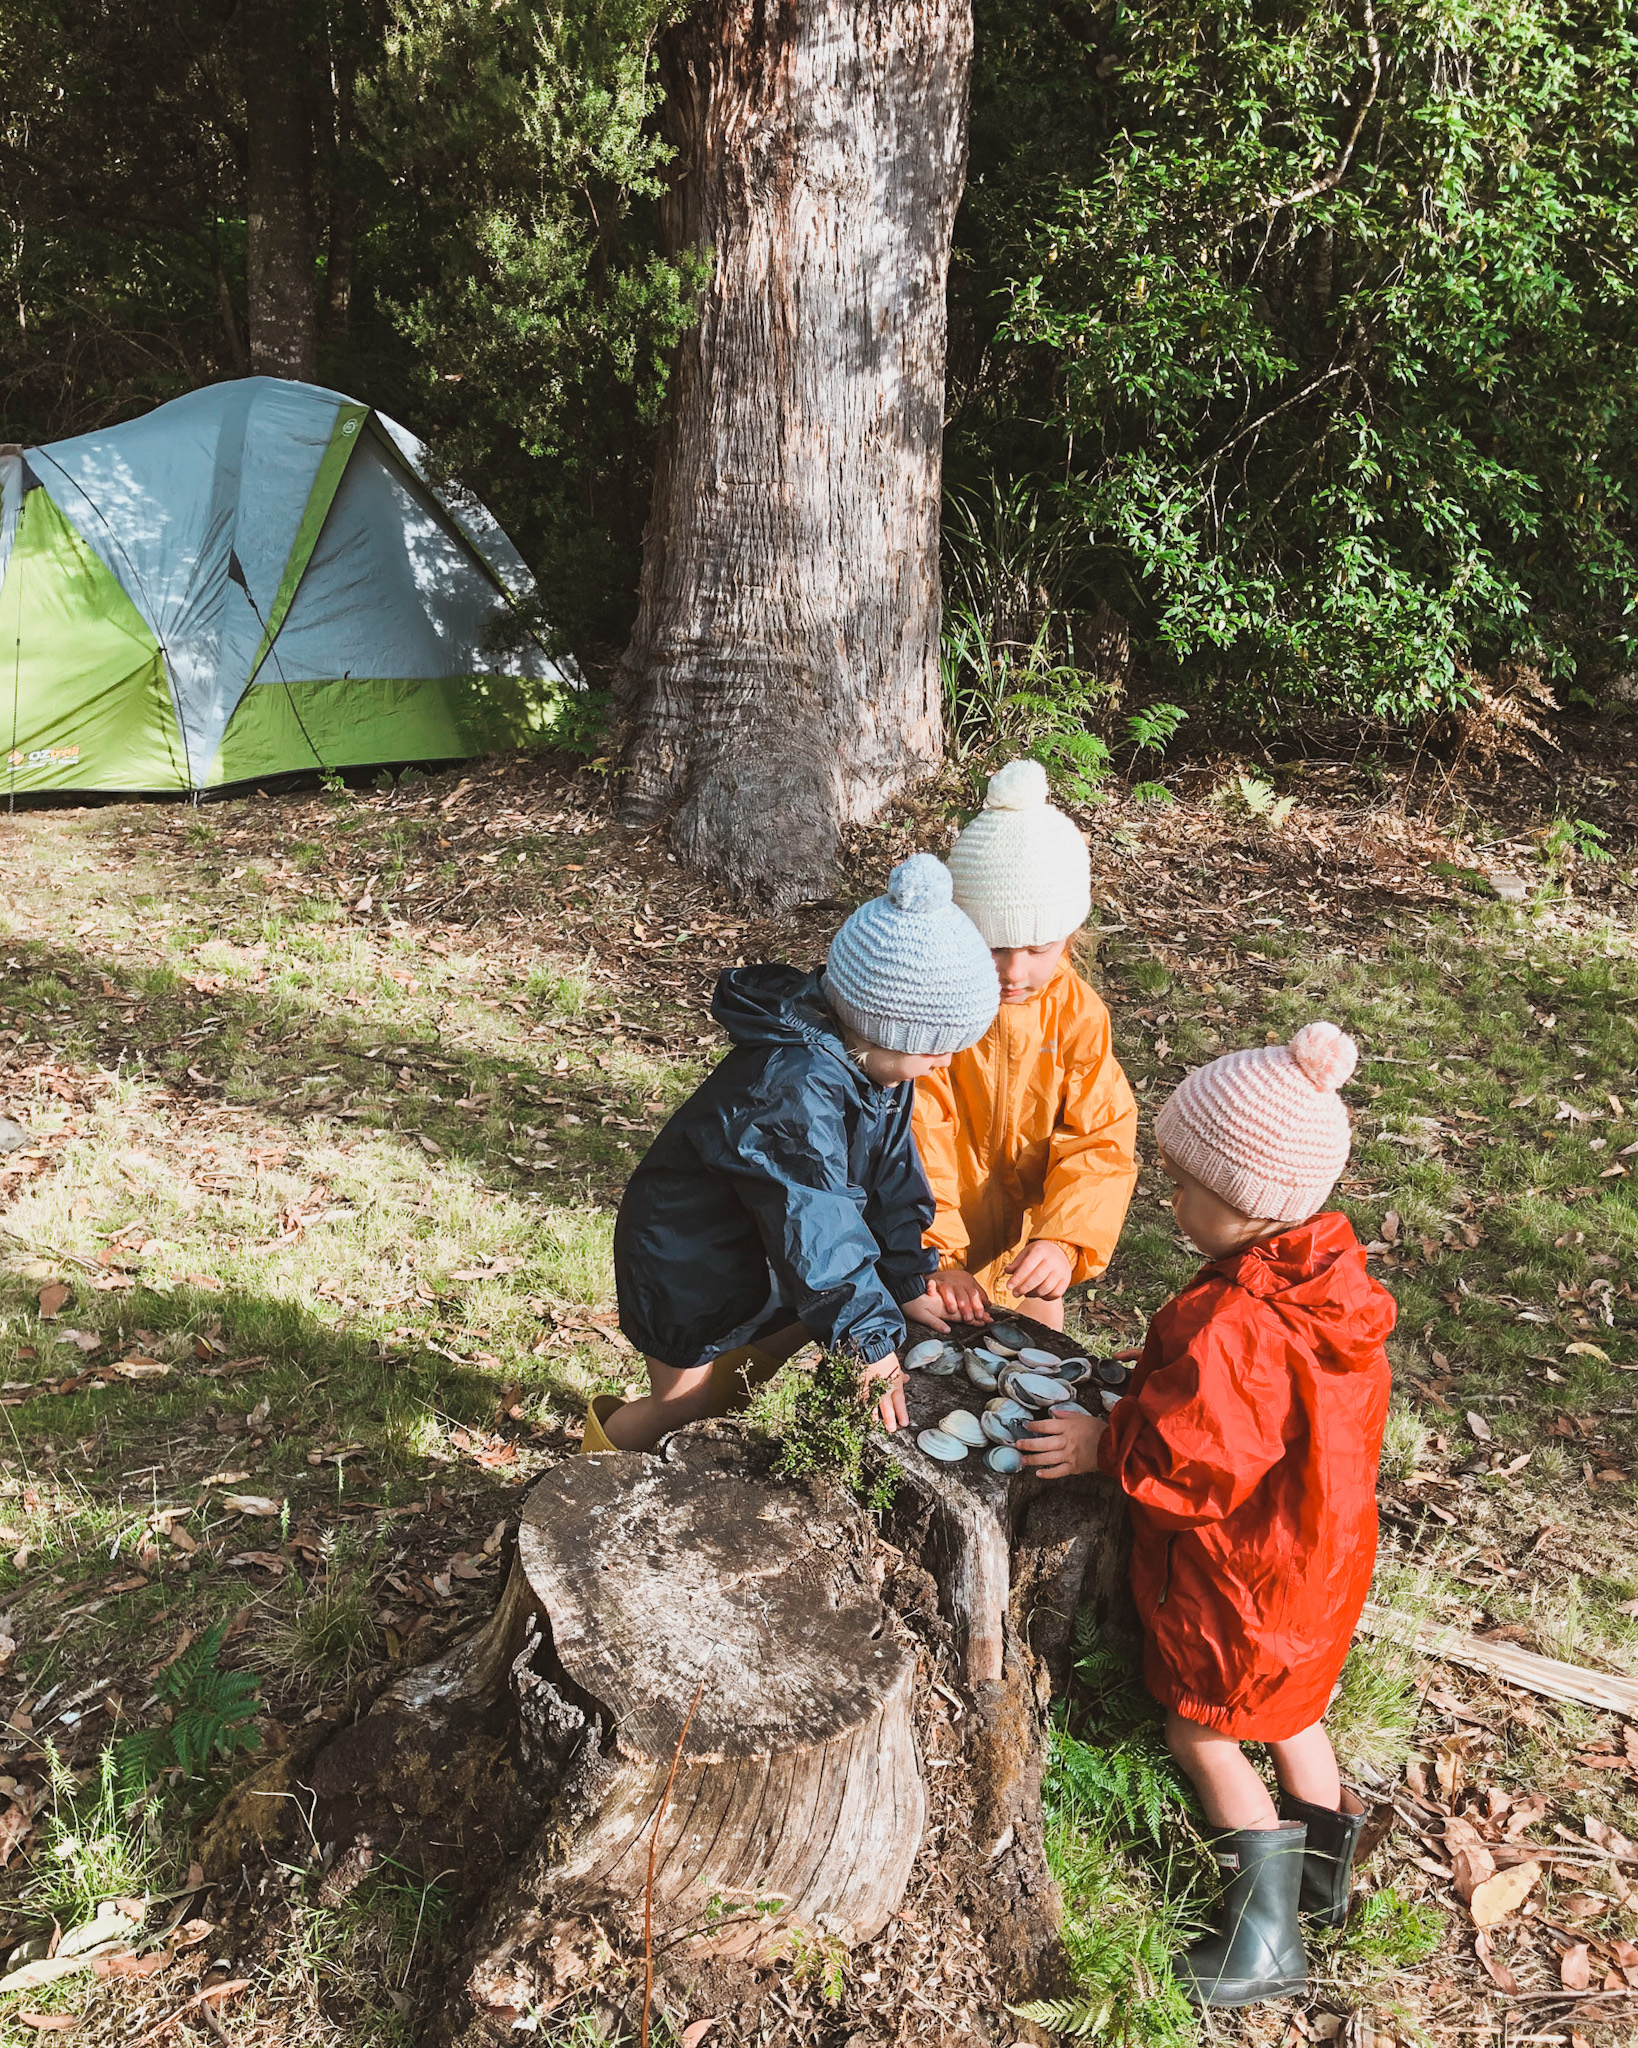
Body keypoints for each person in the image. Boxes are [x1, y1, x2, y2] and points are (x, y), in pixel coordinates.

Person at [1020, 1022, 1394, 2007]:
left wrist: (1106, 1443)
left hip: (1245, 1581)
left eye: (1188, 1185)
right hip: (1319, 1567)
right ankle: (1323, 1889)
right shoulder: (1330, 1286)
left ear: (1252, 1199)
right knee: (1296, 1713)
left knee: (1205, 1730)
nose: (1172, 1199)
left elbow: (1194, 1459)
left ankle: (1262, 1932)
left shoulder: (1236, 1325)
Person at [591, 854, 1000, 1454]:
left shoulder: (878, 1068)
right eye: (937, 1048)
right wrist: (866, 1341)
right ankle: (588, 1479)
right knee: (682, 1404)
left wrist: (908, 1274)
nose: (947, 1061)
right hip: (686, 1260)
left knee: (731, 1389)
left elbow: (891, 1176)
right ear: (885, 1026)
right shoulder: (791, 1087)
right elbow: (818, 1216)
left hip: (756, 1249)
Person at [912, 758, 1138, 1333]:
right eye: (994, 946)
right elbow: (917, 1134)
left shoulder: (1078, 1013)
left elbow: (1099, 1137)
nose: (1014, 971)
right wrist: (935, 1255)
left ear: (1069, 930)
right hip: (934, 1252)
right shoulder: (934, 1007)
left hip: (1026, 1248)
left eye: (1037, 948)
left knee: (1039, 1364)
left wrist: (1065, 1238)